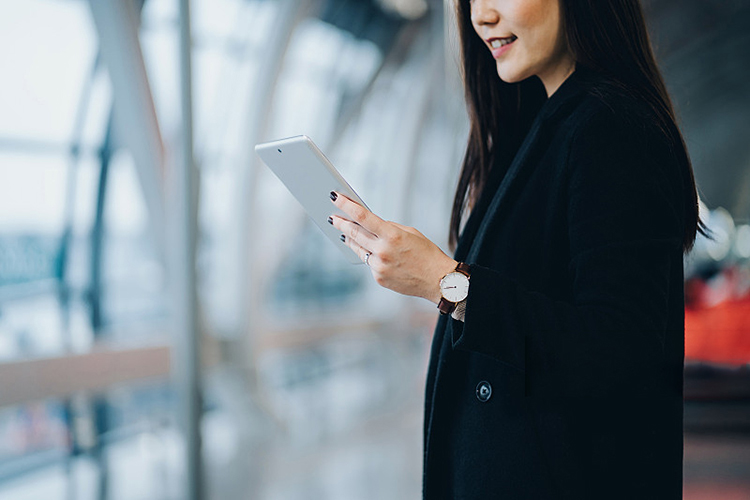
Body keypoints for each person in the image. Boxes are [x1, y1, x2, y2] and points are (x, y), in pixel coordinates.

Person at [328, 0, 706, 498]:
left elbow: (621, 352)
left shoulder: (613, 127)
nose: (479, 16)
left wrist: (445, 284)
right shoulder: (538, 128)